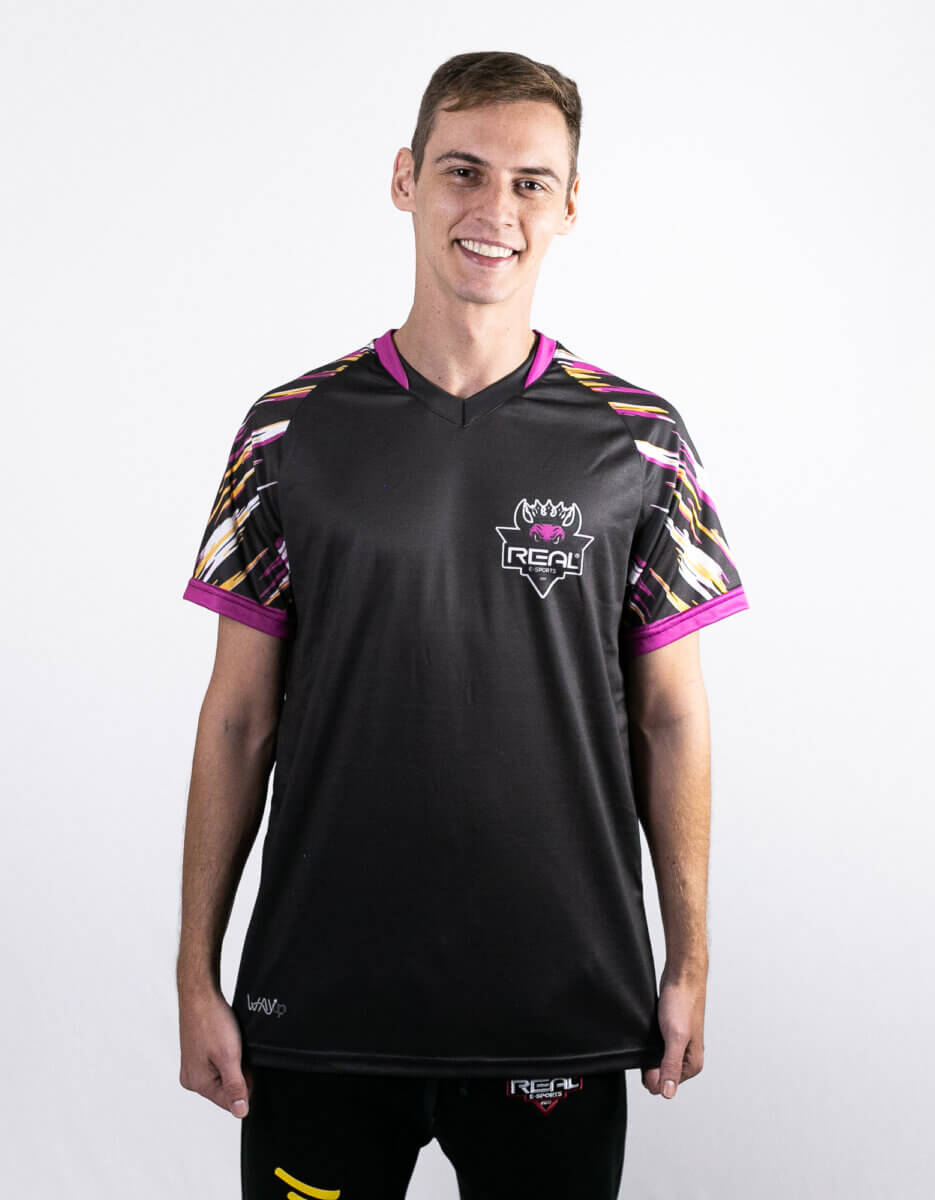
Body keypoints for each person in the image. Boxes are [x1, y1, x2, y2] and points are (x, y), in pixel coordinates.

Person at [176, 49, 749, 1200]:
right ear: (406, 179)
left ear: (570, 206)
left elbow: (672, 721)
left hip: (561, 1009)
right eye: (463, 171)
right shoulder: (287, 433)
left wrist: (689, 961)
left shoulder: (640, 442)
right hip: (321, 1006)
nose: (496, 209)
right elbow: (238, 719)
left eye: (531, 182)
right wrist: (196, 975)